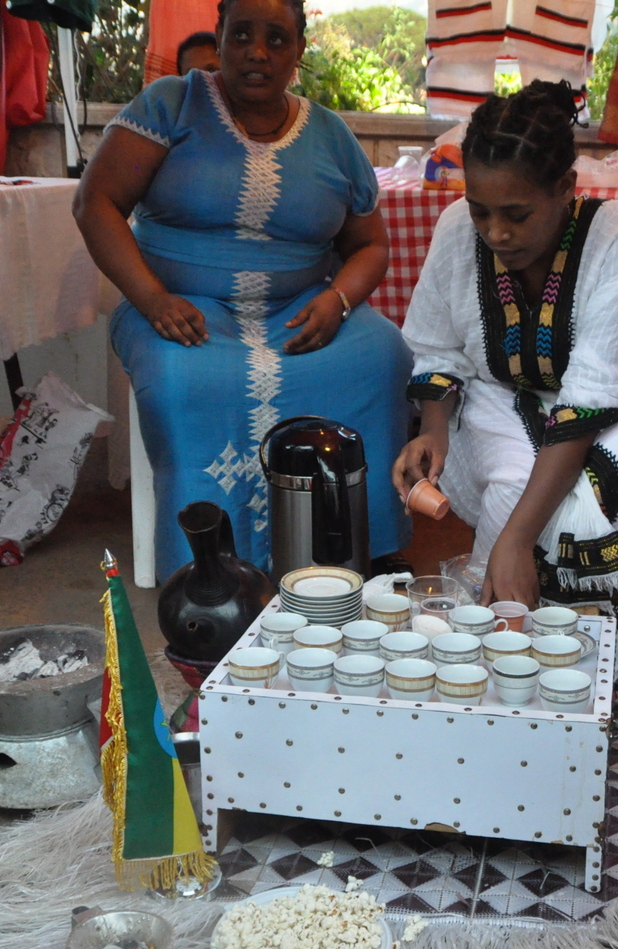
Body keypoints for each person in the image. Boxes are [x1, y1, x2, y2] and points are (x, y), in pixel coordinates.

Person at [76, 0, 413, 581]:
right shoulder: (170, 104)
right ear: (221, 37)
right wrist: (151, 298)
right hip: (179, 312)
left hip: (298, 314)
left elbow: (370, 245)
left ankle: (358, 549)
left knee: (384, 352)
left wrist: (337, 302)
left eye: (277, 39)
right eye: (242, 36)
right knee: (184, 375)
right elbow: (95, 203)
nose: (258, 52)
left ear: (300, 50)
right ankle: (207, 568)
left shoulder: (331, 135)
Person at [393, 81, 618, 673]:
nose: (495, 232)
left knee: (614, 473)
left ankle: (592, 645)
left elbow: (591, 395)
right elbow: (436, 346)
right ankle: (508, 629)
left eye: (517, 214)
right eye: (481, 210)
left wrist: (515, 539)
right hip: (497, 392)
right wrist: (433, 432)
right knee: (510, 479)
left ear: (566, 189)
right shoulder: (457, 230)